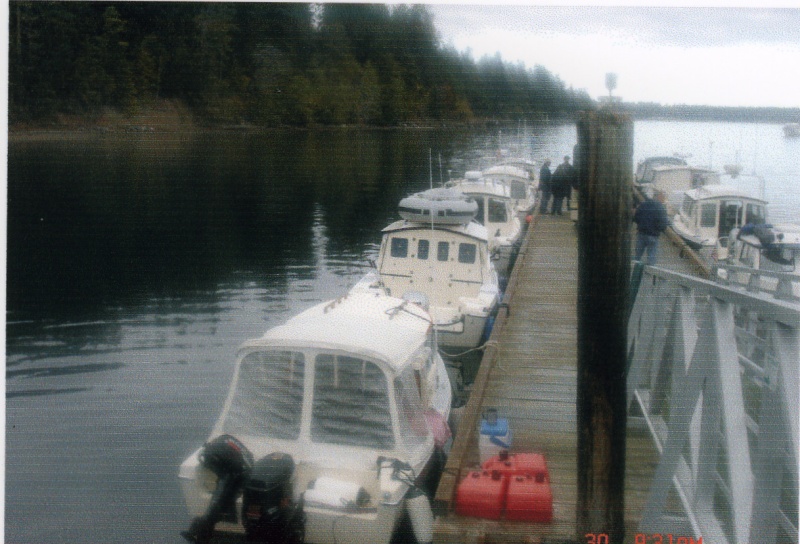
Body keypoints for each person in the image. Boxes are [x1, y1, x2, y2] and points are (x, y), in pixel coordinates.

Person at [634, 190, 670, 265]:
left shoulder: (643, 204)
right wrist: (659, 230)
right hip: (653, 235)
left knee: (637, 256)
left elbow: (636, 217)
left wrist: (640, 225)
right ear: (659, 197)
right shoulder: (661, 208)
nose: (664, 199)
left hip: (641, 233)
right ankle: (650, 272)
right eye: (663, 197)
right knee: (651, 257)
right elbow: (663, 224)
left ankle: (635, 270)